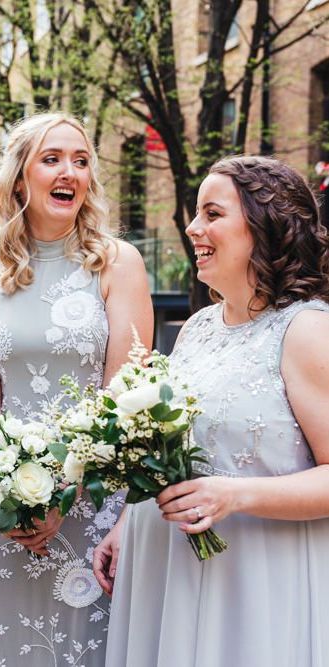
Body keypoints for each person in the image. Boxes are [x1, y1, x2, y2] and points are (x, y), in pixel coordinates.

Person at [103, 155, 329, 667]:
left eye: (212, 213)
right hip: (167, 571)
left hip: (256, 582)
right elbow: (175, 446)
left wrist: (235, 494)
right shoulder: (198, 328)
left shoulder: (307, 330)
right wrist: (126, 522)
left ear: (263, 225)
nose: (192, 227)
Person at [0, 113, 152, 665]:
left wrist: (61, 493)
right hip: (7, 500)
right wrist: (6, 483)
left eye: (81, 160)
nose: (69, 171)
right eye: (52, 159)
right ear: (19, 178)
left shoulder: (118, 263)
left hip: (92, 498)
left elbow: (125, 389)